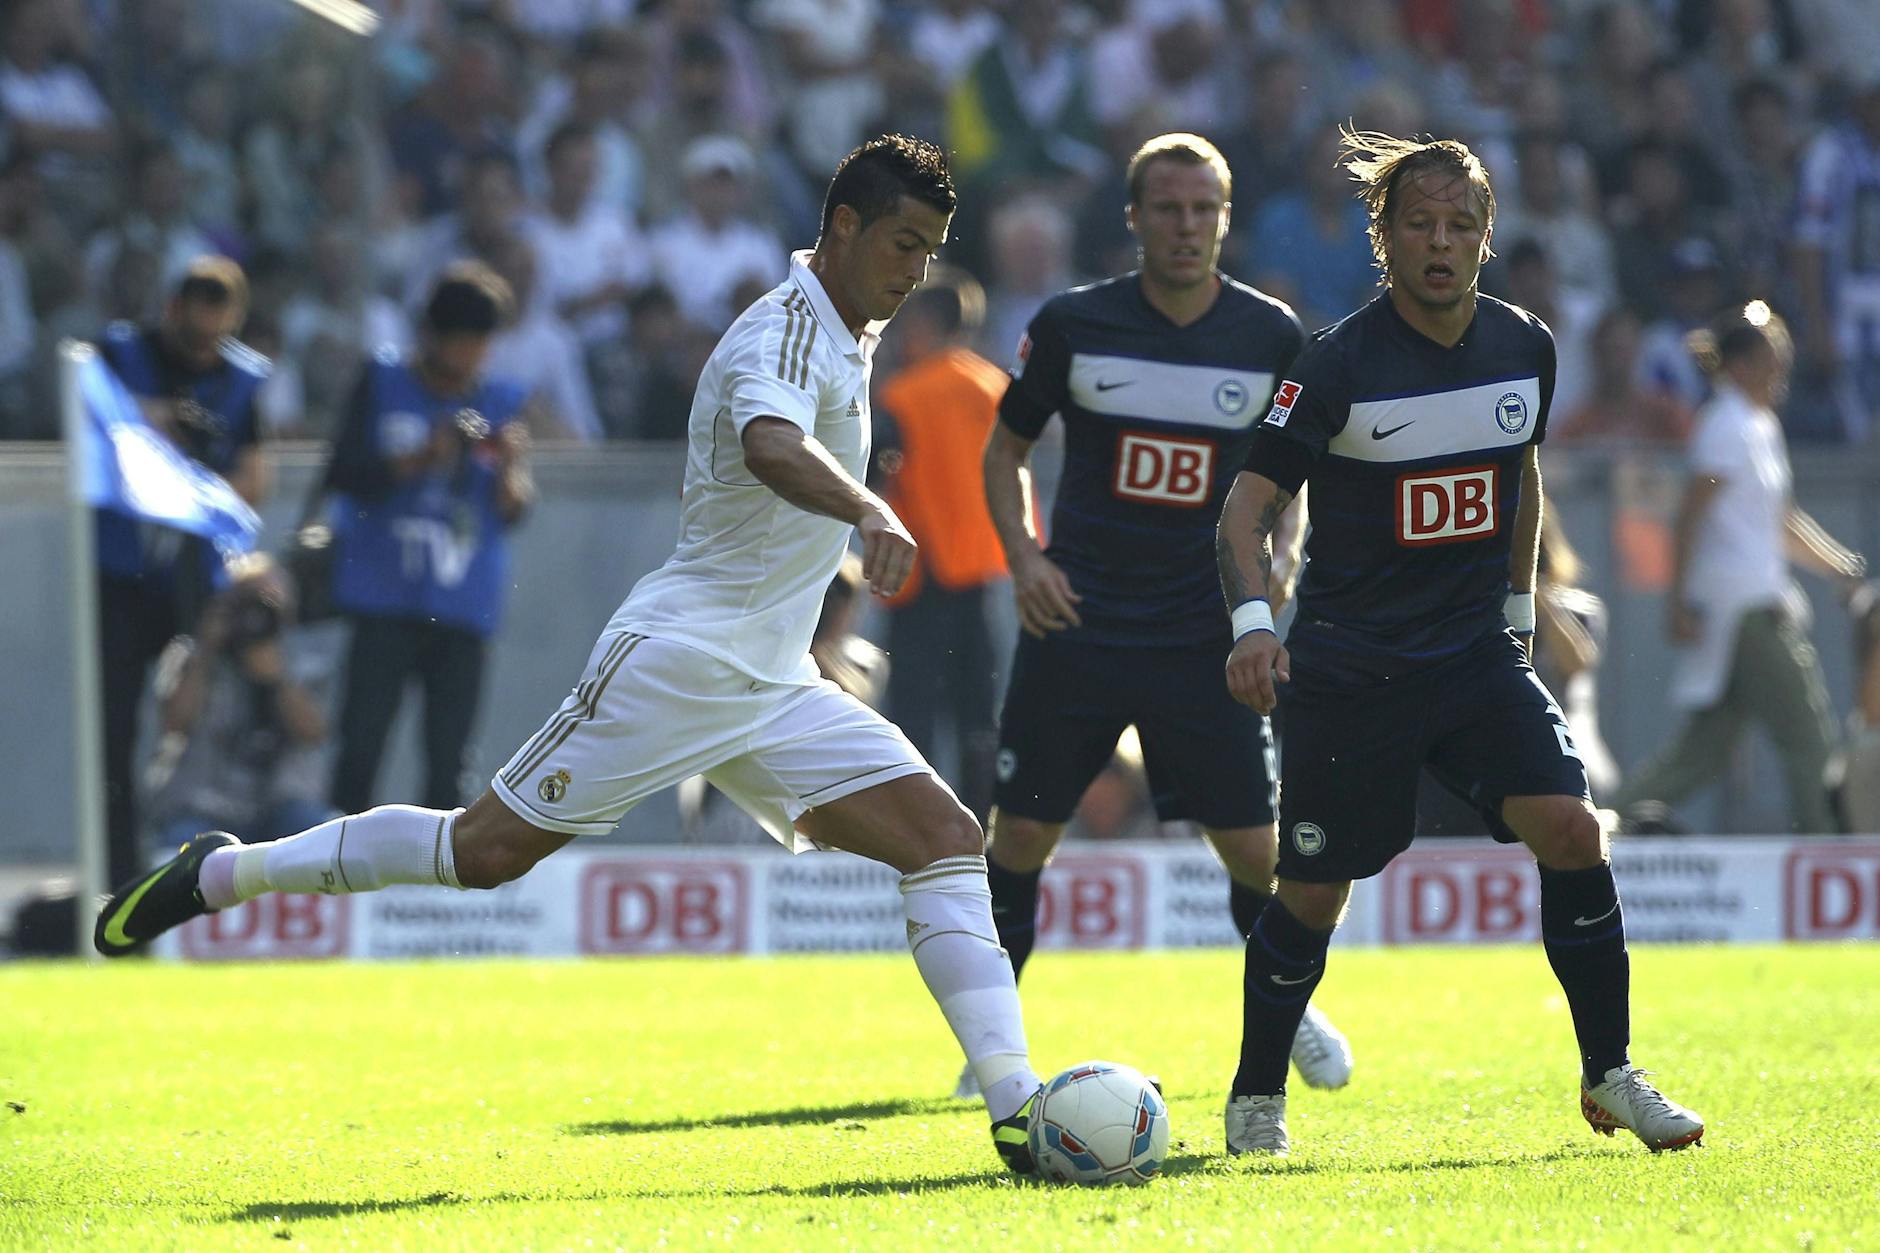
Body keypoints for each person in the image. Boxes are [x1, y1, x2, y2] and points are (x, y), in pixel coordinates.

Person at [93, 136, 1048, 1178]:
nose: (916, 271)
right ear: (845, 227)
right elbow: (772, 443)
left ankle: (1016, 1104)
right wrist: (867, 505)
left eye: (932, 250)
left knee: (948, 838)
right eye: (903, 244)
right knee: (482, 850)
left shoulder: (846, 332)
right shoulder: (779, 327)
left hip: (774, 681)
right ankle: (223, 872)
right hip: (678, 659)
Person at [1216, 128, 1704, 1157]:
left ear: (1485, 238)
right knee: (1310, 892)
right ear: (1381, 236)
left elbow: (1516, 476)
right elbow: (1244, 507)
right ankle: (1256, 1095)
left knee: (1572, 829)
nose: (1440, 242)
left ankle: (1608, 1072)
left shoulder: (1523, 343)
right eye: (1419, 223)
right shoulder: (1334, 362)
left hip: (1471, 655)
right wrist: (1255, 625)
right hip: (1348, 665)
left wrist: (1517, 619)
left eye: (1460, 224)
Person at [979, 132, 1352, 1099]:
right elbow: (1004, 451)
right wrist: (1024, 559)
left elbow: (1293, 478)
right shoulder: (1073, 324)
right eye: (1168, 208)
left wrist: (1279, 575)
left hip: (1205, 630)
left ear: (1225, 220)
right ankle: (991, 1043)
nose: (1186, 226)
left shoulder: (1271, 337)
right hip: (1080, 621)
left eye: (1204, 210)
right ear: (1136, 217)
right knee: (1018, 838)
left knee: (1259, 855)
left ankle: (1290, 1006)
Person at [1609, 304, 1866, 834]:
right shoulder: (1725, 425)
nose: (1781, 370)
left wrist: (1838, 565)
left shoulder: (1758, 425)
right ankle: (1827, 858)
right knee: (1808, 733)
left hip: (1752, 602)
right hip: (1744, 610)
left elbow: (1782, 520)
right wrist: (1677, 603)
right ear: (1742, 365)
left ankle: (1600, 827)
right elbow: (1689, 517)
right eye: (1772, 358)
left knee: (1702, 754)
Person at [323, 262, 535, 816]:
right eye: (464, 342)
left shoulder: (501, 402)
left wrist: (512, 466)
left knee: (449, 763)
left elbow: (513, 509)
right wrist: (421, 459)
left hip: (462, 605)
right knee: (360, 748)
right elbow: (344, 474)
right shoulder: (383, 383)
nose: (472, 357)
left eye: (482, 343)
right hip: (382, 595)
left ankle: (440, 892)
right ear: (433, 336)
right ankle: (339, 874)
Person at [95, 256, 269, 889]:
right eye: (193, 333)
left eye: (216, 335)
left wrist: (199, 480)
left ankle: (205, 864)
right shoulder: (119, 359)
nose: (204, 350)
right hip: (119, 575)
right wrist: (156, 423)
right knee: (111, 736)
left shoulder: (239, 383)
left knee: (204, 721)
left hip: (194, 582)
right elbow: (95, 432)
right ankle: (115, 872)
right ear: (171, 312)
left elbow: (252, 483)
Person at [873, 267, 1009, 823]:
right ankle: (981, 827)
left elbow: (881, 471)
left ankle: (917, 824)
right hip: (976, 575)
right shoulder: (995, 389)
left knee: (914, 713)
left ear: (927, 323)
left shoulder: (902, 394)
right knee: (979, 715)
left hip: (920, 572)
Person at [144, 554, 336, 855]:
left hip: (281, 805)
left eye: (268, 605)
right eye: (247, 604)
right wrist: (206, 653)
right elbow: (174, 724)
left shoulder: (307, 661)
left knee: (319, 835)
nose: (255, 618)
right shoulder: (195, 655)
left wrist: (277, 679)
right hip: (204, 806)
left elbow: (315, 733)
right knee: (179, 845)